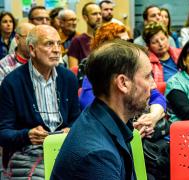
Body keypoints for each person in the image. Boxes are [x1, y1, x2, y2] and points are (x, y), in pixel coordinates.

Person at [51, 39, 155, 179]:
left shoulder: (100, 117)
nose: (153, 85)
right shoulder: (98, 156)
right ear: (123, 83)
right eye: (148, 76)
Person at [0, 25, 80, 179]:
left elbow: (76, 119)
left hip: (63, 147)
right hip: (28, 151)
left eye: (59, 43)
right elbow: (3, 133)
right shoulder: (12, 82)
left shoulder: (68, 78)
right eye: (49, 44)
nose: (57, 50)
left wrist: (70, 129)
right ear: (32, 50)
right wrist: (27, 135)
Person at [80, 22, 166, 138]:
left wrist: (152, 117)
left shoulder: (133, 69)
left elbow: (157, 97)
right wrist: (130, 129)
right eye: (123, 43)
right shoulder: (94, 78)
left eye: (130, 41)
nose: (130, 46)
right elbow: (102, 116)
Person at [68, 2, 101, 69]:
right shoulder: (77, 41)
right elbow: (74, 70)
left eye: (100, 14)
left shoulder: (107, 39)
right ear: (85, 17)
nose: (99, 17)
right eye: (94, 14)